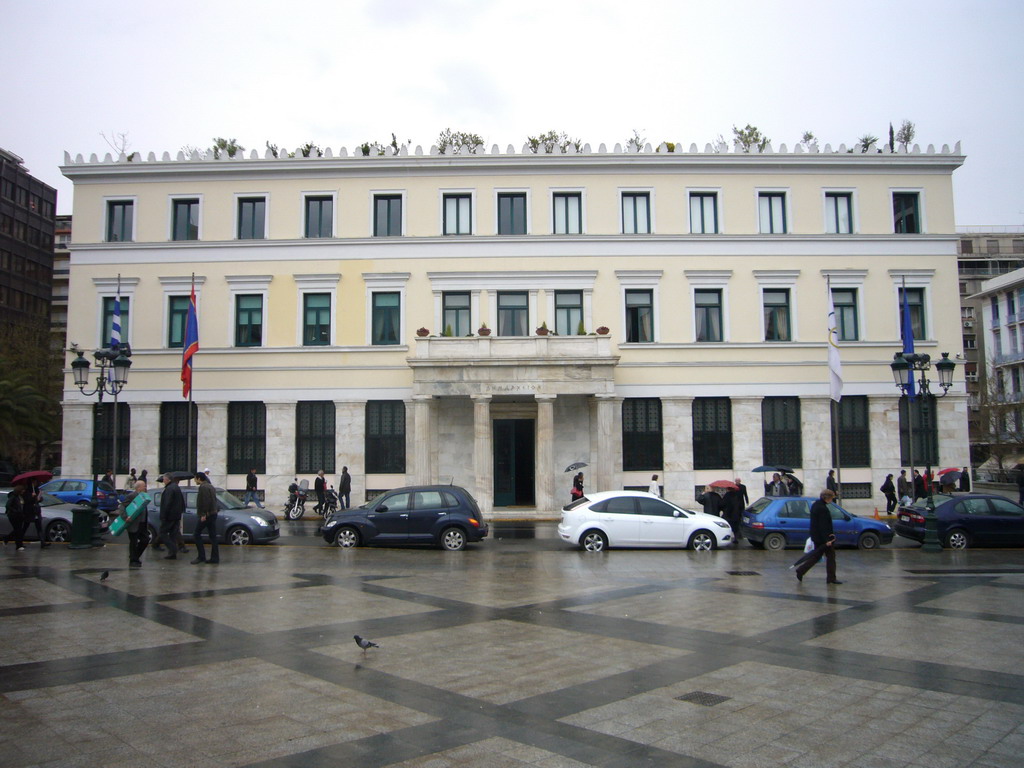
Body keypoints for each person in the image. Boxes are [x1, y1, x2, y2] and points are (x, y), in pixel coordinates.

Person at [795, 489, 840, 584]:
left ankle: (801, 570)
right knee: (830, 557)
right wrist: (827, 540)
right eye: (831, 498)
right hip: (824, 538)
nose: (832, 500)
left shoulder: (816, 505)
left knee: (816, 556)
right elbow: (823, 525)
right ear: (827, 498)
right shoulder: (822, 509)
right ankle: (831, 578)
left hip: (817, 536)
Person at [119, 479, 151, 568]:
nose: (145, 487)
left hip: (143, 523)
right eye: (144, 486)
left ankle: (135, 556)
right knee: (133, 542)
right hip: (134, 523)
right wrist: (125, 517)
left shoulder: (144, 496)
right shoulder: (132, 496)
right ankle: (133, 560)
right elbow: (122, 506)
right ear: (139, 488)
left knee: (145, 540)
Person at [191, 471, 219, 565]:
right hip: (213, 513)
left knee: (196, 533)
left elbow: (206, 501)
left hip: (207, 514)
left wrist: (204, 514)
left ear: (199, 479)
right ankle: (215, 557)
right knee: (213, 536)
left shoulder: (203, 487)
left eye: (195, 478)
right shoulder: (210, 486)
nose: (195, 480)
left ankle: (201, 556)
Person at [159, 472, 185, 559]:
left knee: (163, 533)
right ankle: (172, 554)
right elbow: (181, 501)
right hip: (176, 515)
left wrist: (164, 516)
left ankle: (173, 549)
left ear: (167, 480)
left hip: (169, 516)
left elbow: (167, 503)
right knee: (173, 535)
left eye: (164, 479)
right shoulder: (176, 487)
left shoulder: (169, 489)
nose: (163, 481)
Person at [22, 482, 47, 548]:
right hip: (29, 512)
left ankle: (42, 542)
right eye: (33, 482)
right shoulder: (27, 491)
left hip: (36, 511)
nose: (35, 484)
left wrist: (39, 496)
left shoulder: (37, 490)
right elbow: (26, 501)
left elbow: (38, 500)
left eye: (35, 482)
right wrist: (31, 496)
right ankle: (19, 541)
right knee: (25, 527)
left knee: (39, 528)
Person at [4, 483, 27, 551]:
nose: (24, 491)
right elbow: (8, 505)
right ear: (19, 490)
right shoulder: (13, 497)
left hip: (20, 516)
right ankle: (18, 545)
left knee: (18, 530)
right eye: (23, 490)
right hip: (13, 516)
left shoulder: (20, 496)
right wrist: (15, 511)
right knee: (18, 530)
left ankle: (7, 539)